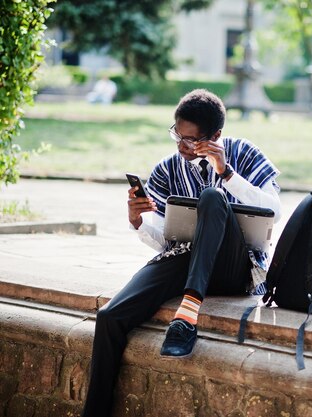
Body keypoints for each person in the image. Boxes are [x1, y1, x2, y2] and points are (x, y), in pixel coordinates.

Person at [81, 89, 281, 417]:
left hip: (235, 267)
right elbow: (166, 241)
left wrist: (226, 172)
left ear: (215, 136)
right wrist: (138, 221)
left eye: (191, 140)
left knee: (213, 198)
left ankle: (187, 316)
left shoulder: (244, 153)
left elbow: (274, 211)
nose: (181, 146)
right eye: (177, 134)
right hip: (185, 257)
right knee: (110, 316)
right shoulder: (166, 169)